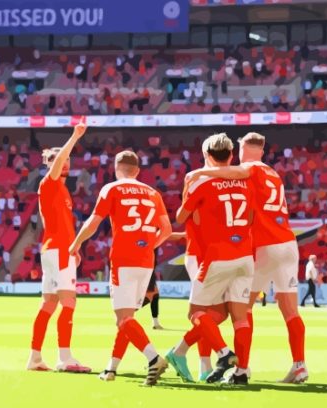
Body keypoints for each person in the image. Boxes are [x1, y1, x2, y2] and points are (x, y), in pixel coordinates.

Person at [186, 132, 308, 383]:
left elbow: (237, 174)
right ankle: (299, 365)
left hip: (265, 246)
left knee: (241, 309)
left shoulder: (249, 167)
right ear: (262, 150)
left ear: (243, 149)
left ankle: (243, 367)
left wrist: (201, 173)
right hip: (287, 243)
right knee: (291, 311)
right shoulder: (273, 173)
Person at [69, 150, 172, 386]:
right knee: (127, 318)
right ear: (137, 171)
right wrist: (149, 246)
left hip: (124, 259)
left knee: (124, 319)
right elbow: (165, 229)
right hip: (145, 260)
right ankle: (111, 368)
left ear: (116, 169)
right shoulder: (153, 193)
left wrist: (75, 245)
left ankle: (154, 358)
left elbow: (94, 222)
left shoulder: (112, 189)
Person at [175, 133, 254, 385]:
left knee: (197, 312)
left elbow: (181, 216)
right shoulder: (246, 182)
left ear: (207, 156)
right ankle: (241, 373)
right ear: (231, 155)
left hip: (216, 256)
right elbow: (251, 216)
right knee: (240, 317)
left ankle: (223, 353)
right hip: (244, 255)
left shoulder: (201, 183)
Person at [27, 119, 91, 373]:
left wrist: (74, 248)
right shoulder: (50, 183)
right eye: (61, 160)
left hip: (59, 249)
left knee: (49, 305)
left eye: (67, 160)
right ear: (52, 164)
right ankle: (65, 358)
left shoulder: (61, 190)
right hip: (58, 251)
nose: (66, 163)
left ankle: (35, 357)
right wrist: (74, 137)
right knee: (69, 302)